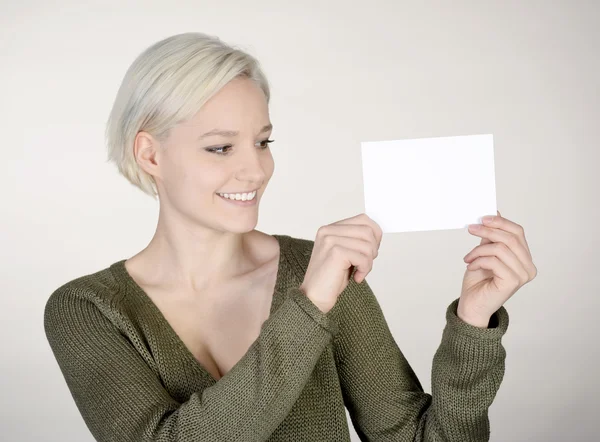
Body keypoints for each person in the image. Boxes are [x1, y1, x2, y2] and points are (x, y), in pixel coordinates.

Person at [44, 32, 536, 442]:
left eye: (263, 141)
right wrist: (308, 308)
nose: (254, 169)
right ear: (150, 155)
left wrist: (473, 324)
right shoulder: (88, 309)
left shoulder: (322, 272)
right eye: (220, 147)